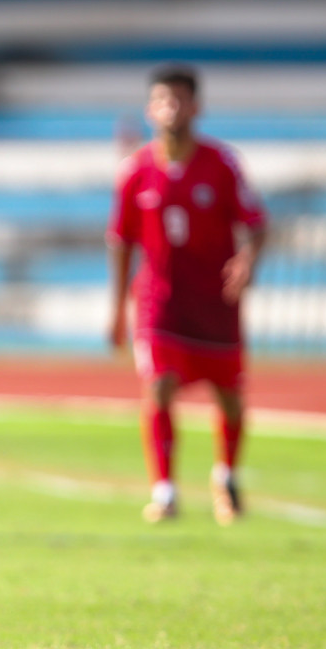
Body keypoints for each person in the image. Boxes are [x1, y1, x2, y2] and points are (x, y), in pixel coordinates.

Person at [108, 65, 266, 525]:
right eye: (163, 100)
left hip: (215, 302)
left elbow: (256, 224)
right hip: (161, 301)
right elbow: (121, 241)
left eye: (180, 99)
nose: (171, 108)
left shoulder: (221, 164)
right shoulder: (135, 171)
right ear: (150, 109)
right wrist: (117, 308)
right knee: (158, 386)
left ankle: (226, 479)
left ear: (197, 107)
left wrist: (247, 259)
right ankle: (165, 491)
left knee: (230, 397)